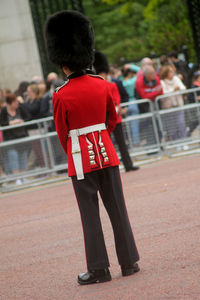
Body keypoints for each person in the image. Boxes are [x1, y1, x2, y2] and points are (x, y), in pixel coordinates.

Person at [45, 10, 140, 285]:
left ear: (63, 62)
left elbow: (62, 133)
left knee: (90, 216)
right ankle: (129, 261)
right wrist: (101, 137)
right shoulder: (102, 85)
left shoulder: (61, 94)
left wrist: (78, 147)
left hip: (79, 158)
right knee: (118, 209)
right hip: (107, 153)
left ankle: (99, 269)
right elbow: (112, 119)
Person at [94, 51, 139, 172]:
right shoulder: (97, 86)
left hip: (115, 117)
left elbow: (117, 99)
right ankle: (109, 168)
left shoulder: (112, 84)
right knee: (106, 146)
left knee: (122, 144)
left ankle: (128, 164)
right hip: (103, 120)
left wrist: (116, 109)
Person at [0, 94, 30, 183]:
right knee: (13, 157)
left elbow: (28, 117)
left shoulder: (20, 108)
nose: (17, 103)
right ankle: (17, 178)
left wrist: (21, 121)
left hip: (22, 137)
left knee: (23, 156)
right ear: (10, 103)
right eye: (15, 102)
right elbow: (2, 123)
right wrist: (11, 123)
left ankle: (23, 177)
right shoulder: (4, 111)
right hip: (10, 139)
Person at [160, 65, 187, 141]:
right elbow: (163, 93)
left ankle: (184, 140)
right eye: (170, 71)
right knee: (172, 126)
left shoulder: (176, 79)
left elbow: (183, 88)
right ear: (166, 73)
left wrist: (179, 89)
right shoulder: (162, 82)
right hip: (169, 107)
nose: (173, 73)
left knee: (181, 123)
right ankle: (176, 142)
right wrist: (173, 90)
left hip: (178, 105)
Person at [121, 66, 140, 146]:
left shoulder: (121, 82)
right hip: (133, 102)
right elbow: (140, 71)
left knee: (127, 125)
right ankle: (135, 142)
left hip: (124, 105)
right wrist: (131, 66)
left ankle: (130, 142)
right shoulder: (133, 81)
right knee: (134, 124)